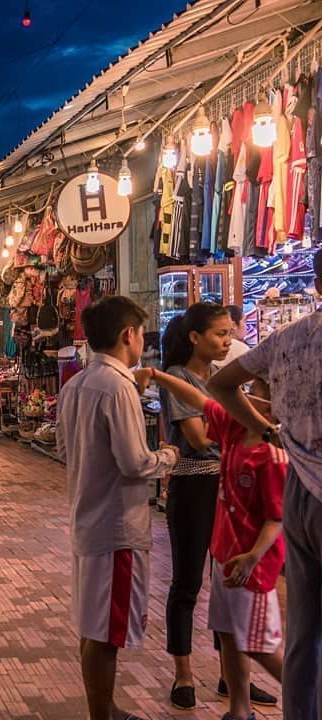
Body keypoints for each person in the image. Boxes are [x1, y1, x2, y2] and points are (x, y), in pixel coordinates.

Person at [208, 248, 322, 720]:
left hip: (300, 491)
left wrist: (271, 428)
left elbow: (221, 385)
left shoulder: (289, 338)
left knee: (304, 633)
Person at [56, 296, 180, 720]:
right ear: (129, 334)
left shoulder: (76, 385)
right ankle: (102, 714)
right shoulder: (117, 387)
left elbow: (63, 447)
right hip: (116, 528)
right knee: (106, 631)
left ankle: (104, 707)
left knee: (93, 625)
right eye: (141, 333)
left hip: (87, 521)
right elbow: (134, 462)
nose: (142, 341)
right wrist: (168, 456)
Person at [139, 368, 286, 720]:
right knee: (229, 634)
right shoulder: (234, 430)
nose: (243, 396)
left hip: (253, 567)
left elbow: (276, 519)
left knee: (259, 645)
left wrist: (253, 556)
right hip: (226, 557)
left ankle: (307, 697)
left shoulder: (273, 457)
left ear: (268, 410)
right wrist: (157, 374)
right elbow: (198, 399)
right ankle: (239, 709)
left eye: (252, 392)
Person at [159, 303, 268, 708]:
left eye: (230, 333)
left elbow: (250, 420)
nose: (228, 341)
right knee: (187, 582)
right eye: (220, 334)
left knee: (230, 585)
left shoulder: (225, 379)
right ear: (194, 337)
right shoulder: (177, 377)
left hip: (231, 488)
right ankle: (183, 675)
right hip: (195, 484)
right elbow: (200, 437)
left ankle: (232, 677)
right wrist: (248, 435)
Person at [214, 305, 250, 369]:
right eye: (244, 321)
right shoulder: (242, 349)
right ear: (233, 325)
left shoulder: (212, 347)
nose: (246, 326)